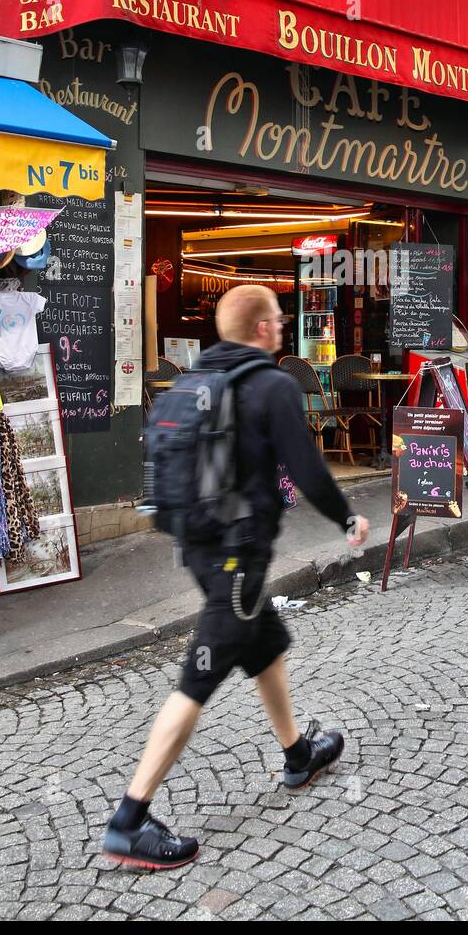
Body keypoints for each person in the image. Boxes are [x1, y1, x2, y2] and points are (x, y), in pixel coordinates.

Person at [102, 284, 370, 870]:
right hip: (237, 555)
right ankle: (130, 819)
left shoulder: (193, 381)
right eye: (276, 320)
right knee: (199, 677)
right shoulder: (271, 386)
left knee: (265, 642)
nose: (281, 327)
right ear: (262, 329)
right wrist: (347, 517)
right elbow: (307, 469)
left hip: (198, 545)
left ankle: (298, 754)